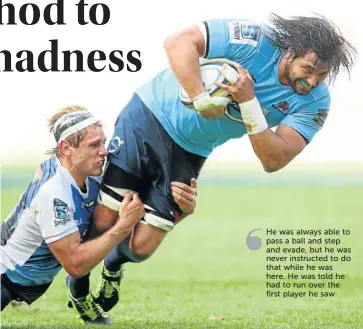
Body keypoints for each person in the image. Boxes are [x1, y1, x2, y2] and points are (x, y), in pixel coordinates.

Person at [68, 13, 356, 317]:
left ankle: (113, 264)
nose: (310, 82)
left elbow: (274, 159)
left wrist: (248, 101)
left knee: (142, 248)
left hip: (190, 150)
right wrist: (200, 97)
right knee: (104, 220)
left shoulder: (315, 103)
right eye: (307, 70)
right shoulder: (254, 40)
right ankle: (79, 288)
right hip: (146, 117)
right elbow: (178, 42)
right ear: (290, 52)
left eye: (320, 76)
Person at [0, 106, 145, 325]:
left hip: (23, 279)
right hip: (5, 277)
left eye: (103, 142)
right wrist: (124, 225)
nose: (104, 151)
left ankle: (90, 288)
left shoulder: (90, 173)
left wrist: (183, 202)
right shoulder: (53, 193)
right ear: (66, 148)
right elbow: (75, 265)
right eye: (94, 145)